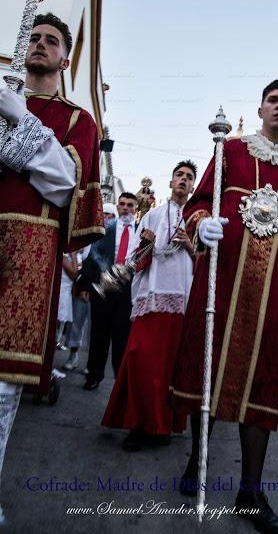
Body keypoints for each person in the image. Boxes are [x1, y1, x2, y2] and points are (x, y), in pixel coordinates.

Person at [171, 80, 278, 534]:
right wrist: (202, 225)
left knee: (261, 382)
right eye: (273, 100)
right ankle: (198, 459)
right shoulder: (231, 153)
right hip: (221, 284)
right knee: (208, 371)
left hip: (274, 295)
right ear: (259, 108)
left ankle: (250, 491)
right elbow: (198, 202)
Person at [0, 13, 104, 518]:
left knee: (1, 386)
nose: (41, 45)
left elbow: (65, 184)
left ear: (66, 58)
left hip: (27, 251)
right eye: (33, 39)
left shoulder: (80, 121)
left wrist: (20, 121)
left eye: (51, 41)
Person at [102, 161, 197, 450]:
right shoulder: (153, 215)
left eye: (189, 177)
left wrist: (190, 244)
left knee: (169, 367)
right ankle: (140, 422)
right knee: (139, 357)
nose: (183, 180)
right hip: (151, 297)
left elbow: (210, 264)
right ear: (170, 183)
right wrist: (146, 245)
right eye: (179, 175)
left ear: (193, 187)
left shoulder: (197, 220)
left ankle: (161, 427)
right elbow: (134, 260)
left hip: (181, 300)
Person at [80, 192, 139, 390]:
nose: (125, 208)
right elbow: (90, 257)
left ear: (136, 209)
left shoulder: (141, 232)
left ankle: (120, 383)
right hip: (103, 290)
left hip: (128, 293)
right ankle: (93, 375)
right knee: (98, 336)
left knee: (122, 339)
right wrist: (86, 286)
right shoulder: (105, 229)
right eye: (122, 204)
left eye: (130, 205)